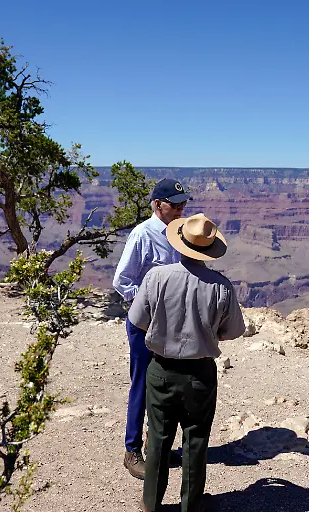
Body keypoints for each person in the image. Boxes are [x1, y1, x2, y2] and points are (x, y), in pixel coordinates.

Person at [128, 213, 245, 512]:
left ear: (179, 244)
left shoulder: (156, 277)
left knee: (157, 438)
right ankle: (190, 505)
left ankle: (151, 502)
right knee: (195, 441)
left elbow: (137, 320)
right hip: (199, 375)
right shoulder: (221, 286)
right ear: (208, 250)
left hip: (160, 371)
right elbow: (233, 331)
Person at [113, 178, 191, 479]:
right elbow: (122, 280)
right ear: (158, 204)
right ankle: (131, 451)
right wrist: (147, 302)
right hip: (144, 323)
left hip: (172, 322)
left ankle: (155, 445)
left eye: (183, 203)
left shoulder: (179, 233)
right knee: (142, 384)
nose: (181, 207)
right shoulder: (142, 235)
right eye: (175, 203)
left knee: (167, 385)